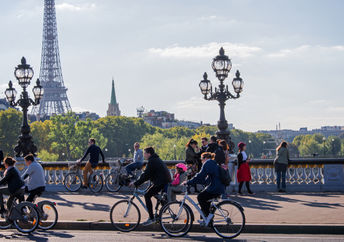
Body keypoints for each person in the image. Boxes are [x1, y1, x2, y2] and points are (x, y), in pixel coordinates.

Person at [130, 147, 171, 226]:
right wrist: (138, 182)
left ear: (149, 154)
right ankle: (163, 203)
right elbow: (146, 174)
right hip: (162, 181)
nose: (144, 155)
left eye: (145, 153)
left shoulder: (152, 161)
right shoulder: (154, 159)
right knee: (150, 192)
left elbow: (146, 175)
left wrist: (135, 184)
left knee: (147, 195)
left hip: (161, 182)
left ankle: (151, 218)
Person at [186, 152, 225, 220]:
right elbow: (206, 179)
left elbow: (200, 176)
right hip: (219, 187)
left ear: (205, 158)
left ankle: (208, 217)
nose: (201, 161)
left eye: (201, 159)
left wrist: (189, 182)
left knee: (200, 197)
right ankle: (206, 217)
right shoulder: (213, 163)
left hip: (215, 188)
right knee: (205, 198)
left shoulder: (208, 163)